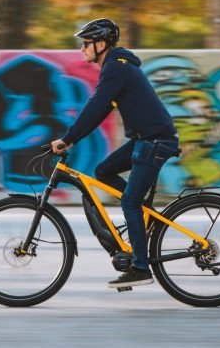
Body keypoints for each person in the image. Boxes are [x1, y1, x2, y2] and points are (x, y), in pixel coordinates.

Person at [50, 18, 180, 288]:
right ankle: (142, 217)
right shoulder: (116, 67)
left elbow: (96, 106)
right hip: (146, 139)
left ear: (102, 44)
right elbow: (100, 109)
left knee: (129, 202)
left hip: (154, 142)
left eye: (86, 43)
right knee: (103, 171)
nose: (82, 49)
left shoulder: (116, 67)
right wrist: (73, 138)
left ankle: (141, 268)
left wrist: (69, 139)